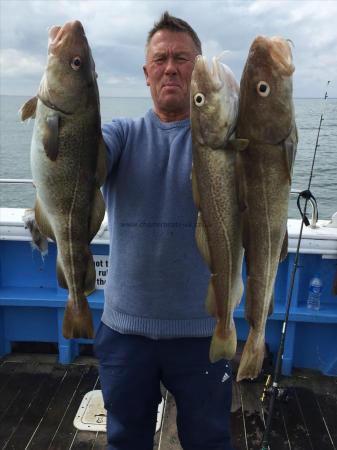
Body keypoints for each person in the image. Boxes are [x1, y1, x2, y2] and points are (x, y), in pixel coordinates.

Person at [94, 11, 233, 450]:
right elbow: (87, 160)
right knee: (125, 440)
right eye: (160, 59)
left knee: (209, 442)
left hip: (204, 331)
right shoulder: (122, 134)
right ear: (146, 72)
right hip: (125, 332)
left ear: (199, 68)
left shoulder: (224, 143)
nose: (170, 67)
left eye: (182, 58)